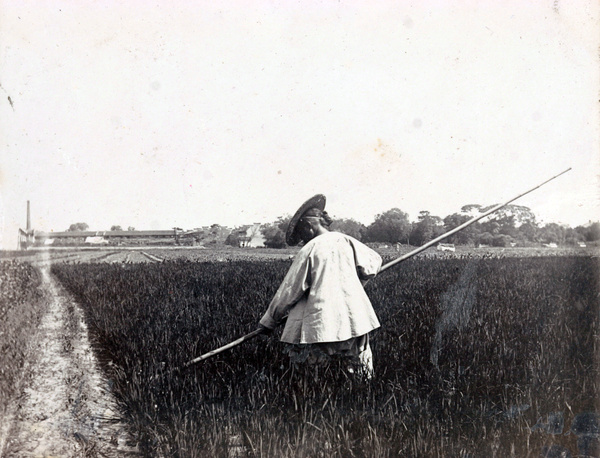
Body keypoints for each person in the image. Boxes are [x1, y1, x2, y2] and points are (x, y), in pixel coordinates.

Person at [258, 194, 382, 377]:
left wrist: (269, 321)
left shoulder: (310, 249)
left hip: (321, 326)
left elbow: (290, 290)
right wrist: (357, 284)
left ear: (308, 226)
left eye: (301, 233)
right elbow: (375, 262)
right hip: (355, 320)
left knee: (317, 380)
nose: (302, 239)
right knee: (358, 377)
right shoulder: (346, 241)